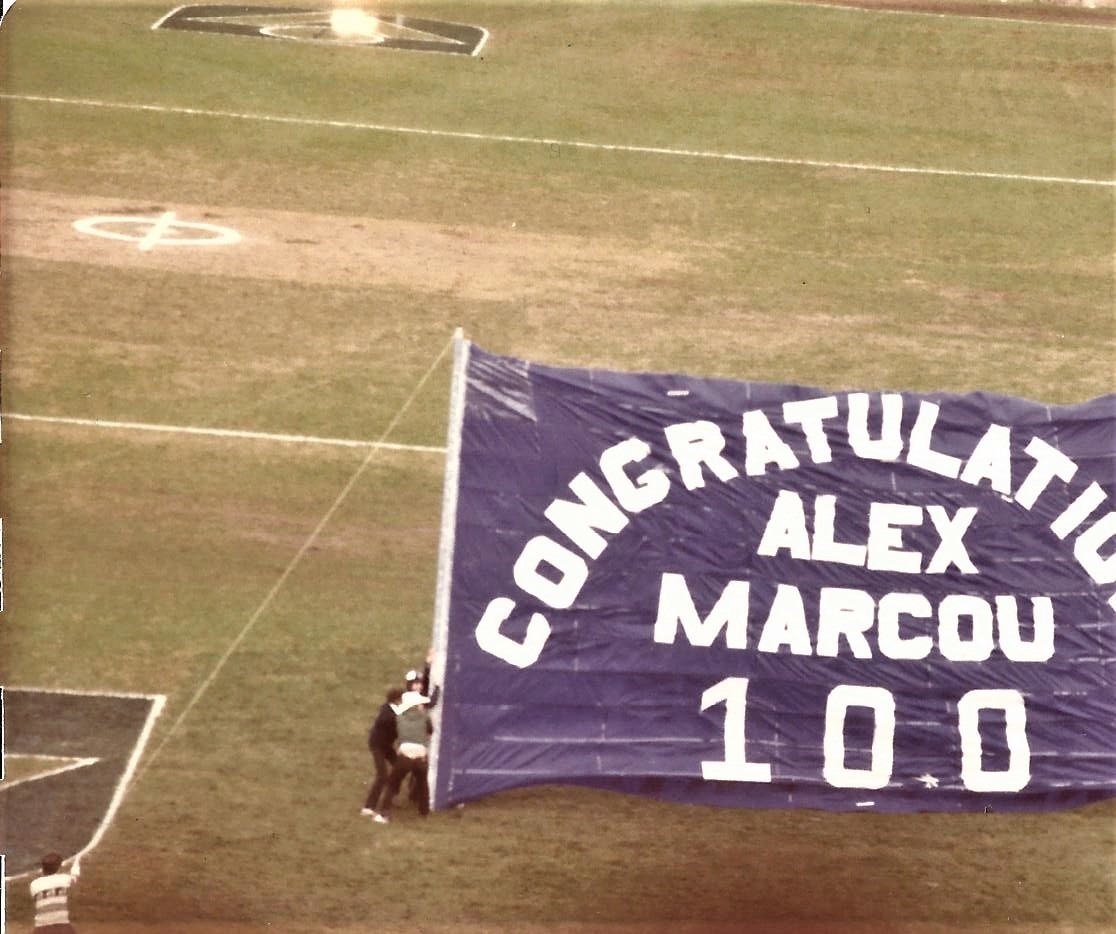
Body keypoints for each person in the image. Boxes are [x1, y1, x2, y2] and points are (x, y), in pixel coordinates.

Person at [372, 689, 432, 823]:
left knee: (393, 783)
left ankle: (383, 813)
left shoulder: (399, 718)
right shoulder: (425, 717)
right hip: (421, 755)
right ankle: (424, 812)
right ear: (416, 706)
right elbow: (430, 732)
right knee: (423, 783)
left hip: (404, 755)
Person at [361, 686, 403, 818]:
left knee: (399, 767)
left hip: (387, 746)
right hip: (378, 746)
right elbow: (386, 720)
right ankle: (369, 806)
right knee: (382, 775)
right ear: (397, 699)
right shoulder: (386, 711)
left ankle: (389, 797)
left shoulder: (394, 710)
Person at [30, 852, 80, 932]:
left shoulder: (34, 884)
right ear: (58, 867)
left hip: (41, 929)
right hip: (62, 927)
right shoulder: (64, 879)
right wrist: (76, 862)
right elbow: (75, 876)